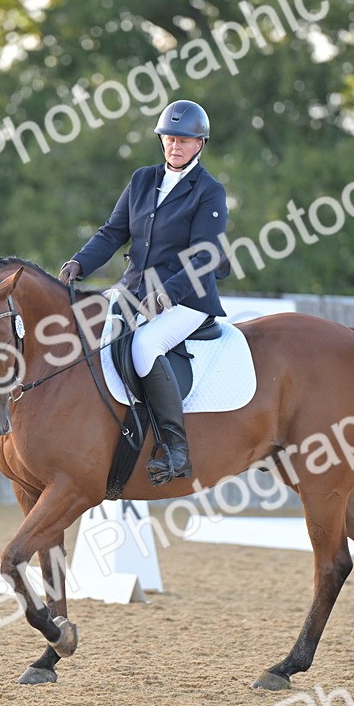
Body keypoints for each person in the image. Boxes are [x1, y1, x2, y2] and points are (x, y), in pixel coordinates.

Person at [58, 99, 228, 485]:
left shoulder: (209, 192)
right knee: (88, 332)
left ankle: (175, 448)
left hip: (187, 299)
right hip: (134, 290)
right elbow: (112, 233)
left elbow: (204, 256)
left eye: (184, 140)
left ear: (200, 143)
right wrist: (80, 263)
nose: (175, 146)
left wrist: (164, 296)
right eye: (169, 138)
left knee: (144, 347)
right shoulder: (141, 180)